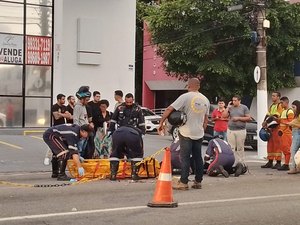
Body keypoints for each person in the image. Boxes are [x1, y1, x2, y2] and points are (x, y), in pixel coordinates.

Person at [158, 78, 210, 190]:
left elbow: (169, 109)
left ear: (188, 86)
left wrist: (161, 123)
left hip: (186, 132)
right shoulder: (205, 100)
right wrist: (202, 130)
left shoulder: (185, 97)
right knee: (198, 157)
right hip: (199, 133)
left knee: (185, 157)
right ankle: (198, 181)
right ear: (199, 86)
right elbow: (206, 120)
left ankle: (184, 182)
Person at [108, 93, 145, 181]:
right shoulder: (131, 108)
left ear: (133, 100)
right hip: (132, 133)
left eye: (130, 102)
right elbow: (113, 119)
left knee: (115, 152)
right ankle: (134, 174)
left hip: (119, 133)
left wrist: (111, 131)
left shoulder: (134, 108)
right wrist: (142, 133)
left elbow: (113, 120)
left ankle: (113, 175)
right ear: (125, 100)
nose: (128, 104)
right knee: (137, 153)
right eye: (127, 102)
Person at [222, 95, 251, 167]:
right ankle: (233, 162)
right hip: (231, 129)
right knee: (231, 147)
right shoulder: (230, 108)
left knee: (240, 147)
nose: (233, 102)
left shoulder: (244, 107)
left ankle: (241, 162)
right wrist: (227, 107)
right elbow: (224, 116)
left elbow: (248, 118)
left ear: (239, 101)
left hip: (240, 130)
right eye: (233, 100)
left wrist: (238, 118)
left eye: (235, 100)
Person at [261, 91, 283, 169]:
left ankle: (278, 162)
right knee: (270, 145)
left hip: (277, 127)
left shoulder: (280, 105)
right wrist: (264, 123)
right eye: (272, 96)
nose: (272, 97)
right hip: (271, 127)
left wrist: (266, 122)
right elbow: (268, 114)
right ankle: (270, 161)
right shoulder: (272, 106)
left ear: (278, 97)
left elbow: (274, 116)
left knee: (277, 145)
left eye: (274, 96)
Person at [73, 86, 95, 159]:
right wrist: (79, 132)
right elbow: (76, 120)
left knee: (86, 149)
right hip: (81, 131)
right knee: (80, 149)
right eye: (86, 100)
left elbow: (84, 118)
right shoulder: (77, 107)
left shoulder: (83, 106)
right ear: (82, 99)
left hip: (86, 130)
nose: (87, 102)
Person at [276, 96, 294, 171]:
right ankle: (285, 164)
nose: (281, 104)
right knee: (283, 148)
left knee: (286, 149)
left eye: (282, 103)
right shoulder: (283, 111)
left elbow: (291, 123)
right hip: (282, 133)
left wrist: (281, 121)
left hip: (286, 133)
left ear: (286, 103)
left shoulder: (290, 111)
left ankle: (286, 164)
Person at [287, 100, 300, 174]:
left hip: (297, 134)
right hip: (295, 133)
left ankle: (293, 168)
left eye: (294, 107)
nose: (292, 109)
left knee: (293, 151)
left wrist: (293, 125)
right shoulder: (296, 115)